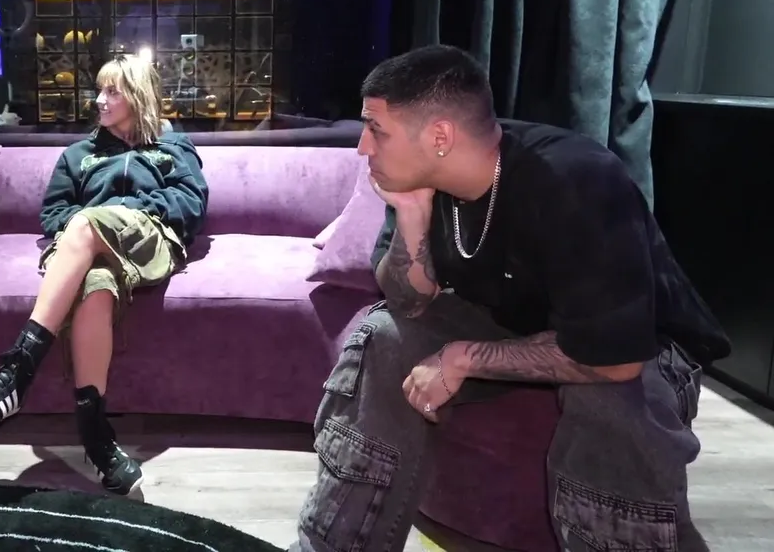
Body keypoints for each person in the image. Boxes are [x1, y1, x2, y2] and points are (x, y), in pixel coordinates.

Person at [292, 45, 731, 552]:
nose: (362, 147)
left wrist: (463, 357)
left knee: (610, 403)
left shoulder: (575, 180)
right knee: (381, 337)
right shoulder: (421, 181)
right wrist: (413, 217)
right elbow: (407, 302)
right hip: (512, 321)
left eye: (377, 130)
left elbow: (614, 361)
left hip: (646, 343)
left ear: (440, 137)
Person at [0, 55, 209, 496]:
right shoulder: (79, 155)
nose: (99, 100)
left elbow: (191, 202)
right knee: (94, 286)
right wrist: (87, 227)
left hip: (149, 238)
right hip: (89, 250)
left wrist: (121, 212)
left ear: (137, 96)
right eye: (99, 90)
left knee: (88, 222)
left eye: (112, 91)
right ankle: (96, 434)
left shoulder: (172, 146)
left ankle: (18, 371)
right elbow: (54, 213)